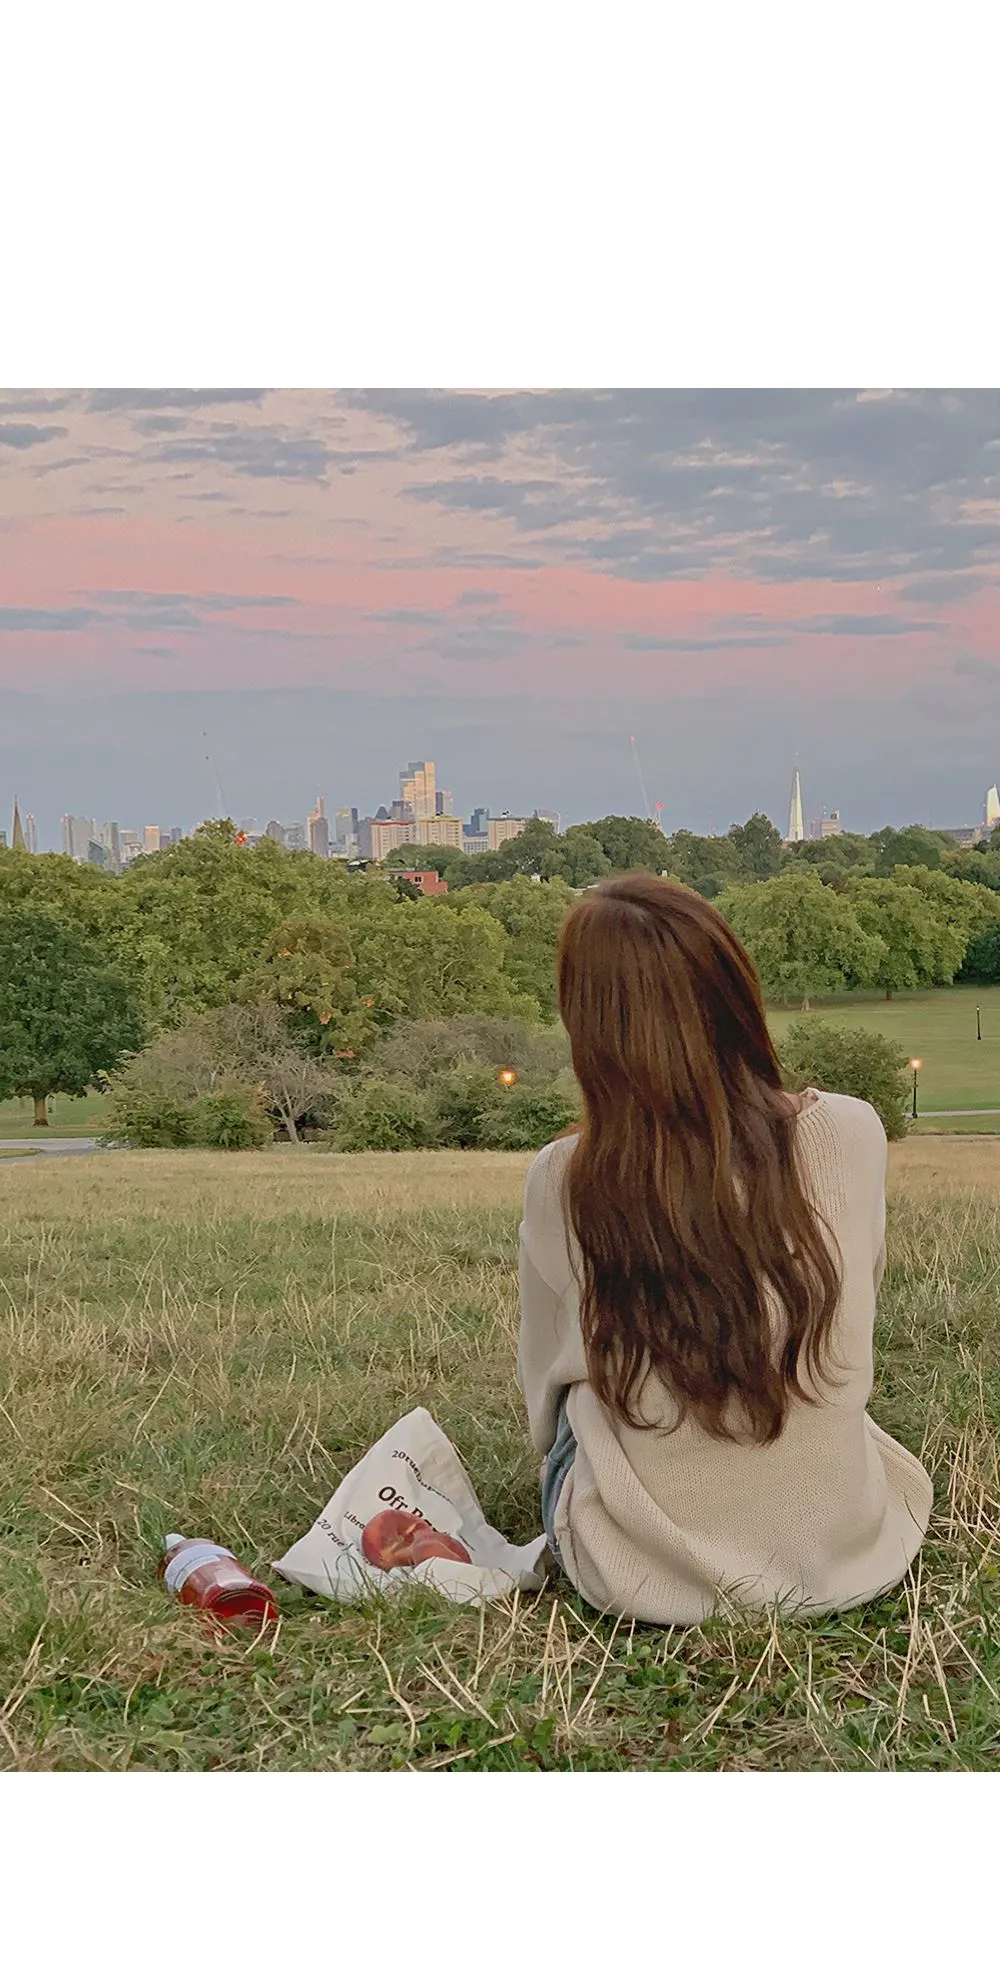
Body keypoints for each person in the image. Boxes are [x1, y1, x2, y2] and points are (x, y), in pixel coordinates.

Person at [518, 874, 932, 1626]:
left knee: (579, 1405)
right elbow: (857, 1304)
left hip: (639, 1570)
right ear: (736, 995)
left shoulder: (563, 1178)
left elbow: (544, 1388)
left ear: (590, 1028)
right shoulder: (852, 1130)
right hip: (845, 1550)